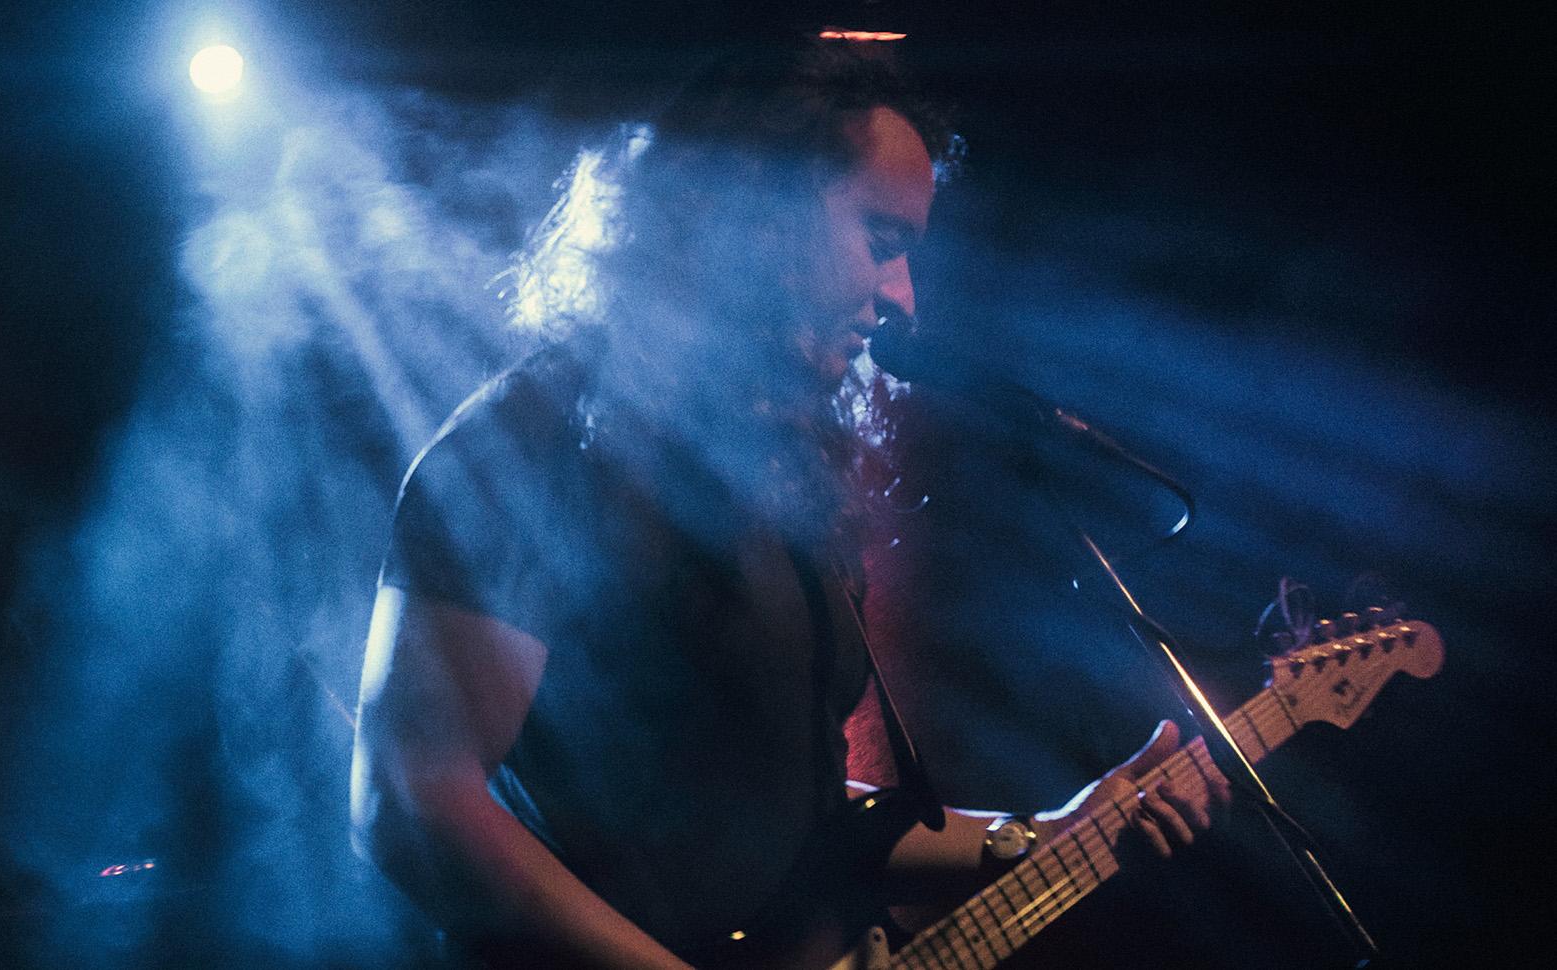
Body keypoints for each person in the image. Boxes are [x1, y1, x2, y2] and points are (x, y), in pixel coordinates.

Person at [349, 35, 1231, 968]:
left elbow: (788, 812)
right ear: (755, 207)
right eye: (881, 243)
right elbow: (413, 799)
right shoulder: (532, 440)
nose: (904, 301)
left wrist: (1039, 835)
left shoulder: (781, 473)